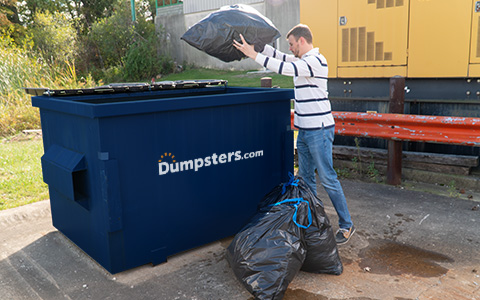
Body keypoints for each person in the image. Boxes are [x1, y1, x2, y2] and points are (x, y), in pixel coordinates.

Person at [233, 24, 355, 244]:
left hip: (319, 129)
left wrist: (254, 56)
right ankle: (316, 221)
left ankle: (346, 225)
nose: (289, 48)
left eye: (291, 44)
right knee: (306, 180)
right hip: (305, 131)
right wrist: (259, 47)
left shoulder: (316, 61)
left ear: (301, 40)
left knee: (327, 178)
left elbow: (286, 68)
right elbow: (281, 58)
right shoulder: (301, 61)